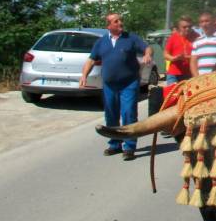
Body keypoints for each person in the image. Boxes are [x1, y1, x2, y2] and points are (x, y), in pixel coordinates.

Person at [80, 13, 152, 161]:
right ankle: (115, 144)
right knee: (111, 114)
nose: (120, 23)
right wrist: (84, 75)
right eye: (116, 21)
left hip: (129, 83)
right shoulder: (101, 42)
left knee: (128, 113)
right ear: (108, 26)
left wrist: (147, 54)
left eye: (121, 20)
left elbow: (147, 48)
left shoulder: (130, 38)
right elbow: (91, 60)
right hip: (109, 85)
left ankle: (129, 146)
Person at [163, 15, 197, 84]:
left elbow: (201, 54)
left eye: (189, 27)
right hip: (174, 74)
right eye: (184, 27)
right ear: (179, 28)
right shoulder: (173, 37)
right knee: (173, 94)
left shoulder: (197, 37)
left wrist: (189, 57)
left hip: (191, 73)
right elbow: (165, 54)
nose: (187, 29)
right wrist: (174, 58)